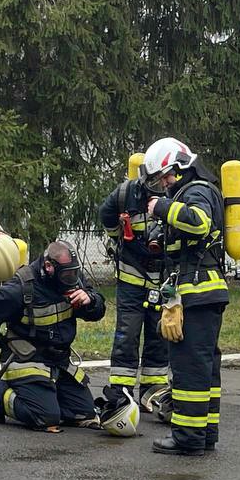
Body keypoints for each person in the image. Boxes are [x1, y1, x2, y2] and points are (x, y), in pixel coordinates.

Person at [143, 137, 228, 456]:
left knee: (189, 366)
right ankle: (205, 431)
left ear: (180, 166)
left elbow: (199, 223)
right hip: (200, 293)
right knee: (205, 366)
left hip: (197, 293)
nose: (163, 184)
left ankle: (188, 437)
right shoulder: (196, 189)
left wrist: (161, 208)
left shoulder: (197, 191)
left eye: (166, 176)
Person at [0, 241, 107, 430]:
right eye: (66, 274)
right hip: (27, 360)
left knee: (84, 414)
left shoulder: (73, 277)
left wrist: (90, 300)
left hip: (59, 361)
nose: (72, 279)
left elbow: (97, 310)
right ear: (49, 267)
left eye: (74, 273)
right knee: (44, 417)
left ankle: (46, 396)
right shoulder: (21, 287)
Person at [99, 172, 169, 416]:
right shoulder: (127, 193)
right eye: (154, 181)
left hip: (161, 281)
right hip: (131, 279)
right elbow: (106, 213)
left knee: (159, 334)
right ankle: (121, 391)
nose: (160, 185)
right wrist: (116, 236)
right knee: (126, 336)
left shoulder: (175, 195)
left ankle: (154, 390)